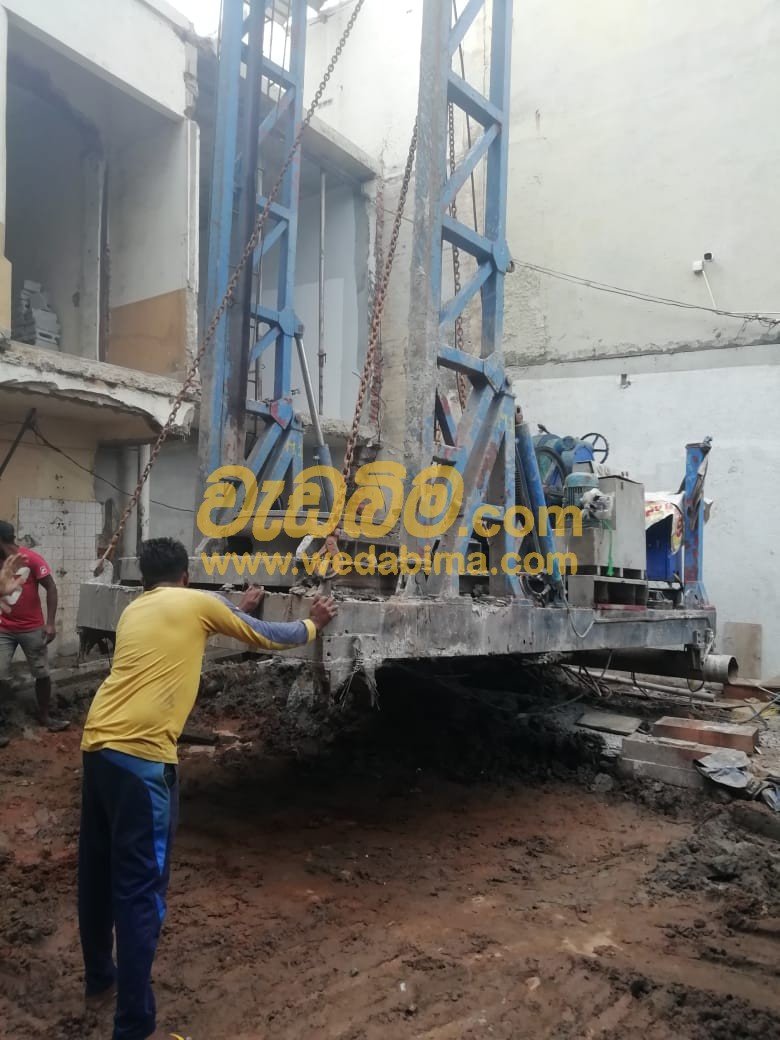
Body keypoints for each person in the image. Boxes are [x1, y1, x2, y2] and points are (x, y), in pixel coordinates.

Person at [78, 537, 338, 1040]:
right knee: (140, 894)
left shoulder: (136, 610)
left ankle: (99, 981)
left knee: (97, 874)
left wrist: (232, 608)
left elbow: (189, 629)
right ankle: (133, 1027)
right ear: (186, 576)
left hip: (98, 748)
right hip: (143, 761)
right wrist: (313, 623)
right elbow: (269, 635)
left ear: (146, 578)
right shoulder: (196, 603)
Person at [0, 520, 66, 731]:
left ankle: (45, 716)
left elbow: (51, 587)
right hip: (3, 629)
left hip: (32, 628)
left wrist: (50, 623)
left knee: (41, 673)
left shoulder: (31, 559)